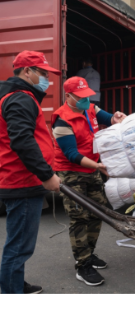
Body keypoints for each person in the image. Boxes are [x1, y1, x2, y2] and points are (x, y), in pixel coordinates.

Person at [52, 77, 126, 287]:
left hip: (91, 169)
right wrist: (99, 167)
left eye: (87, 96)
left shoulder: (90, 109)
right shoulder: (61, 120)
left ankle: (89, 254)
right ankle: (82, 265)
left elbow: (110, 118)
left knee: (98, 212)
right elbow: (71, 154)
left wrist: (117, 117)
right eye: (81, 97)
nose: (86, 100)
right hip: (71, 172)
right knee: (79, 217)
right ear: (68, 96)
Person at [0, 51, 61, 295]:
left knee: (18, 243)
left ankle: (14, 284)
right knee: (19, 246)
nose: (47, 78)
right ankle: (11, 290)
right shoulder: (21, 98)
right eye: (43, 73)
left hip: (20, 179)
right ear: (27, 72)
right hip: (22, 182)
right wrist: (47, 175)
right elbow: (22, 141)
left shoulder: (15, 97)